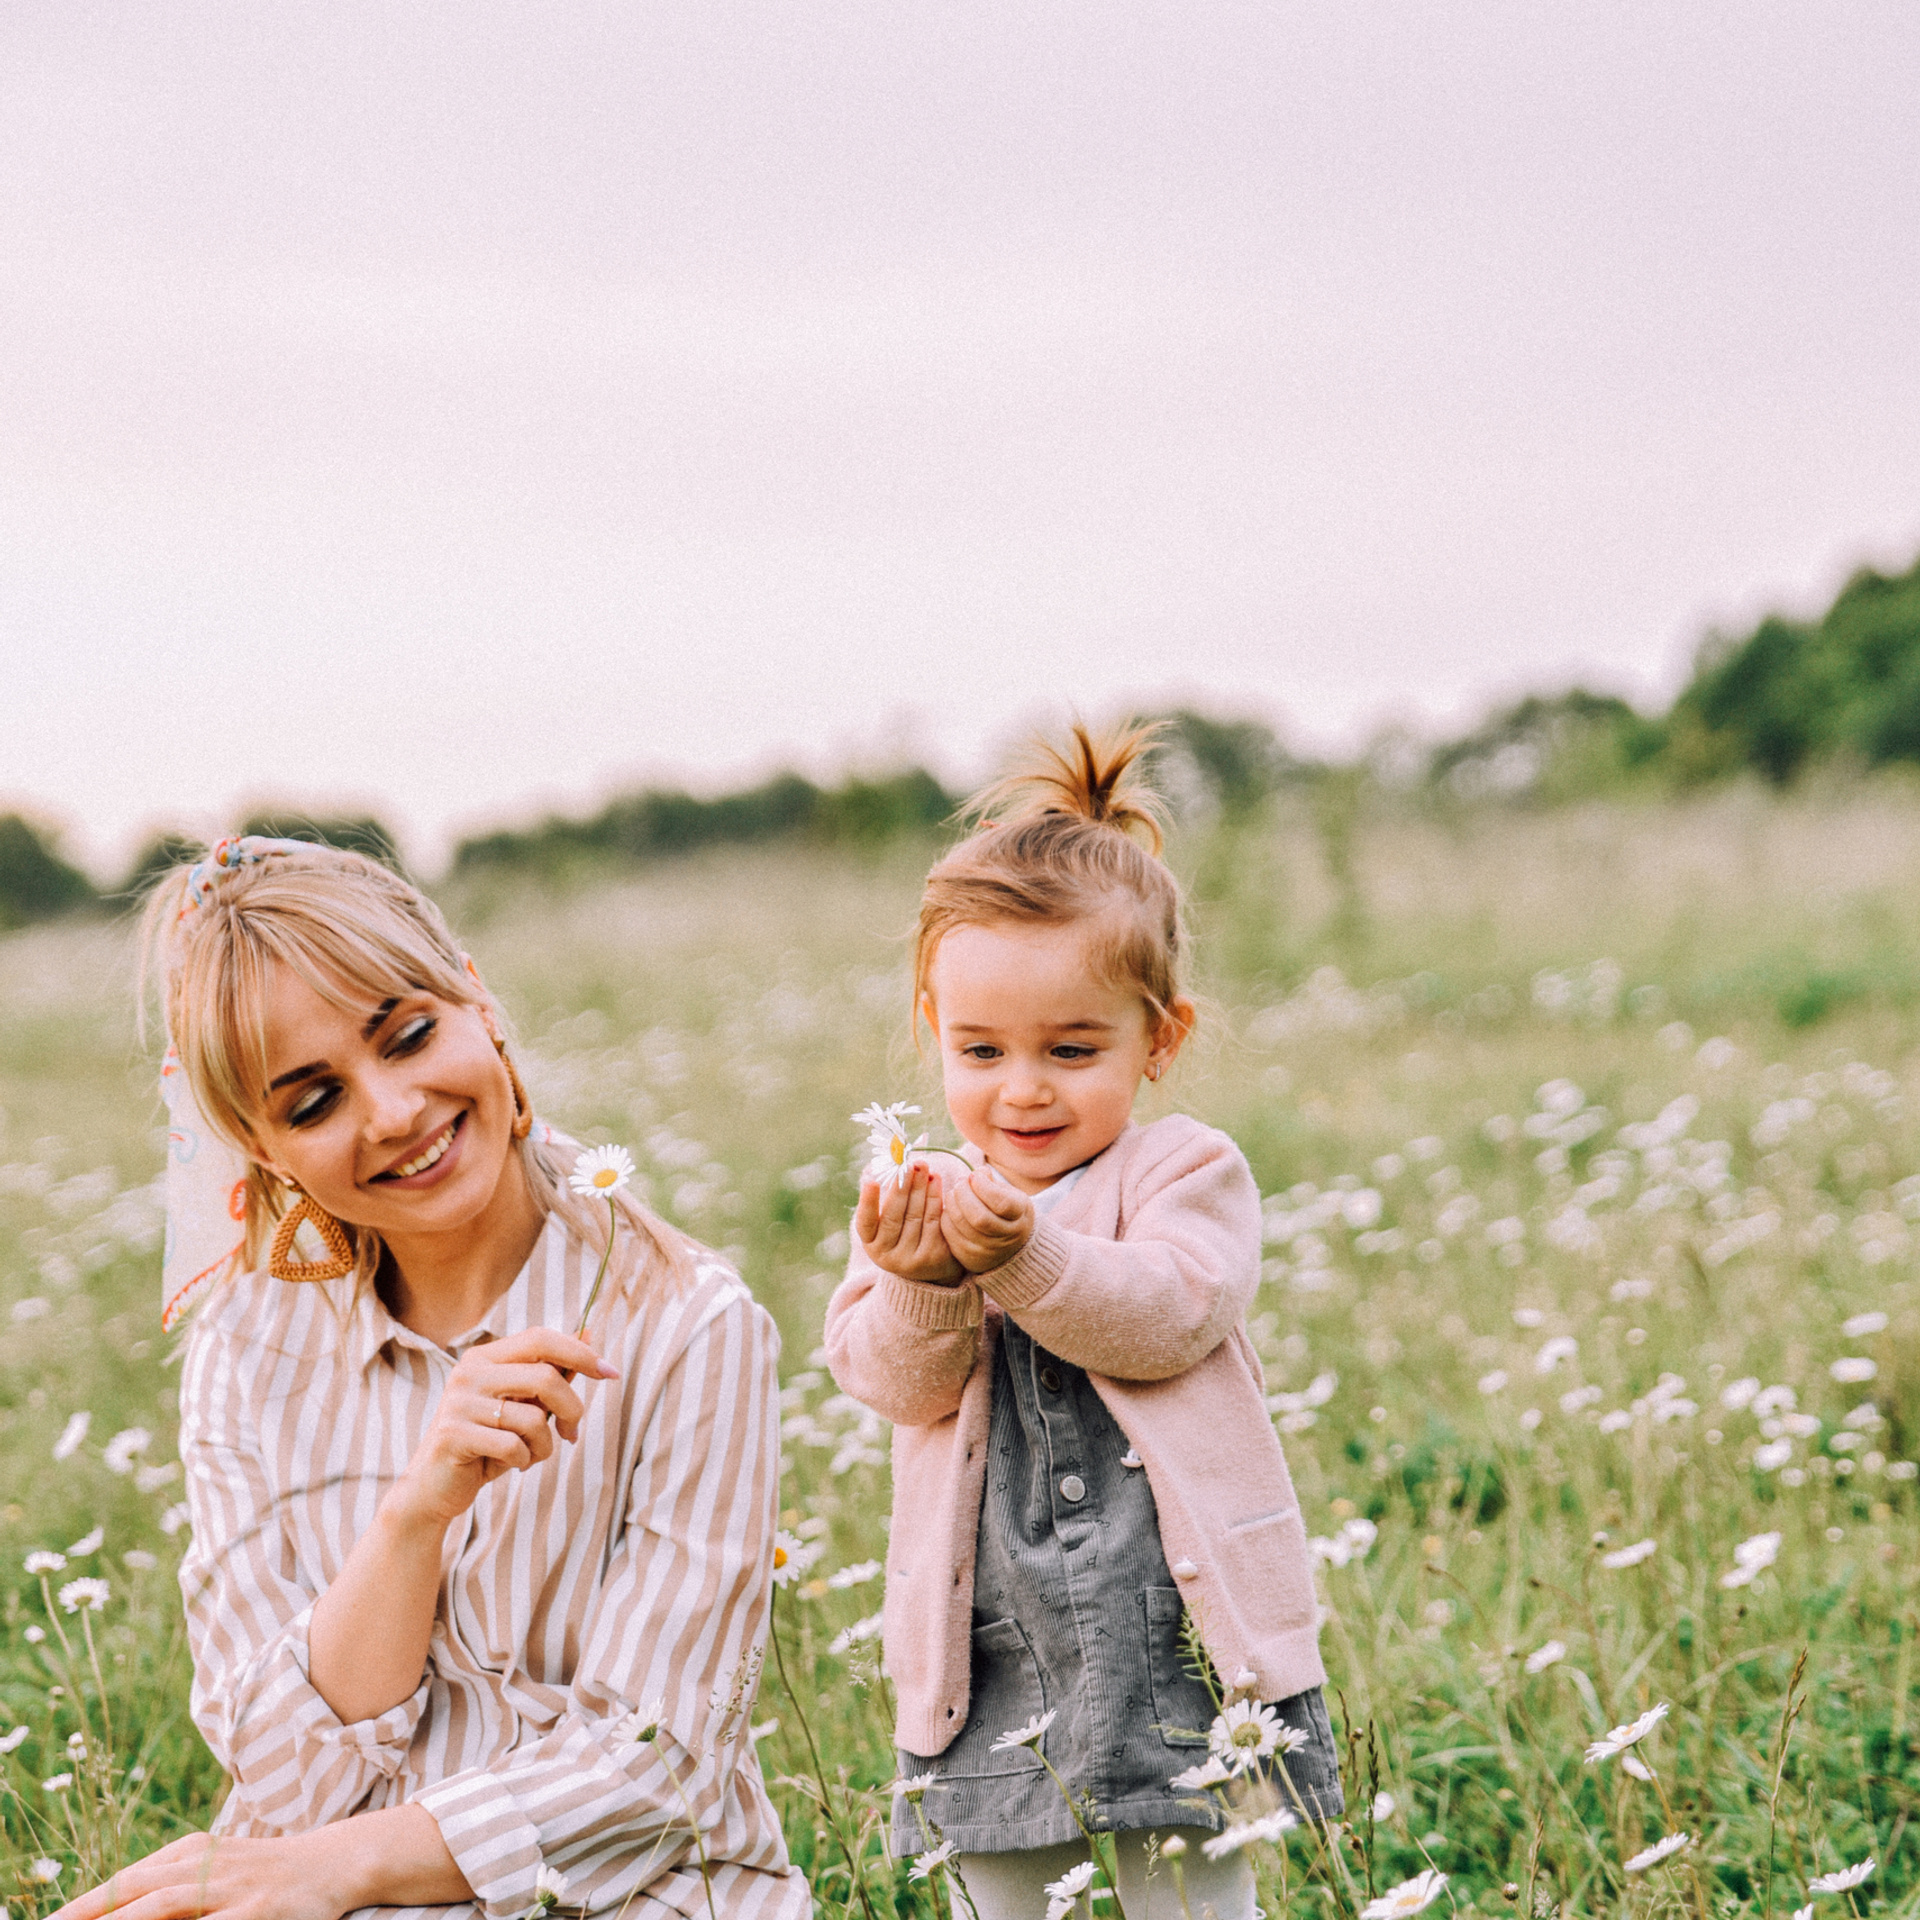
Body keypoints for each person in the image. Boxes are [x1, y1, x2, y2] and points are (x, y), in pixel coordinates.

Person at [55, 837, 807, 1920]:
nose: (395, 1111)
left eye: (408, 1037)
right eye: (313, 1103)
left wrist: (337, 1868)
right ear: (259, 1152)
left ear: (479, 1001)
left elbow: (658, 1766)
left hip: (632, 1892)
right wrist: (415, 1517)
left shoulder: (685, 1322)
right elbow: (283, 1777)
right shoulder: (247, 1350)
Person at [823, 726, 1340, 1920]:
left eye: (1071, 1048)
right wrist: (921, 1282)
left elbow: (1170, 1312)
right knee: (999, 1890)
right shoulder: (921, 1195)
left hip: (1165, 1610)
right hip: (987, 1630)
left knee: (1189, 1889)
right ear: (932, 1030)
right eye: (981, 1050)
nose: (1023, 1088)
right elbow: (891, 1379)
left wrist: (1030, 1255)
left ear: (1159, 1039)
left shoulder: (1184, 1170)